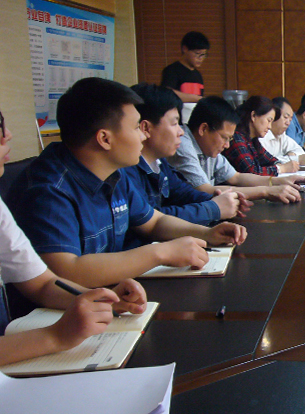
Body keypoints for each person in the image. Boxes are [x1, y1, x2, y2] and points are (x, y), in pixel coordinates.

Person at [8, 78, 247, 288]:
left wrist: (207, 233)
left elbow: (154, 222)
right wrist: (160, 253)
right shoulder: (49, 189)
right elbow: (66, 271)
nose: (143, 135)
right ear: (105, 139)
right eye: (135, 127)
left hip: (112, 293)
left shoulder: (115, 173)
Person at [0, 109, 147, 367]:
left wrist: (102, 299)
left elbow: (42, 283)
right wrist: (55, 336)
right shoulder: (48, 186)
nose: (8, 134)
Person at [123, 83, 248, 238]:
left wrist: (216, 199)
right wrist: (213, 208)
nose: (181, 132)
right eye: (175, 124)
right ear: (146, 128)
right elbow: (154, 218)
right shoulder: (126, 171)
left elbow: (182, 193)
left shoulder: (160, 163)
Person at [167, 96, 305, 203]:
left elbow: (236, 177)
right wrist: (266, 191)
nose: (227, 145)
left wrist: (279, 181)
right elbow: (206, 190)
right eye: (225, 138)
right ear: (204, 129)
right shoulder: (183, 144)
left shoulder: (209, 146)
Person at [222, 95, 298, 176]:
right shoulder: (236, 138)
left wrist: (279, 164)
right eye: (268, 120)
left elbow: (270, 159)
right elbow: (251, 172)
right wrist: (281, 168)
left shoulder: (253, 140)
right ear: (253, 116)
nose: (270, 127)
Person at [259, 97, 305, 167]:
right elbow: (267, 162)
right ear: (274, 115)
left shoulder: (281, 136)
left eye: (290, 119)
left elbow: (300, 151)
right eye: (285, 117)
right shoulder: (262, 136)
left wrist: (292, 154)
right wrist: (295, 159)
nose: (288, 123)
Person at [160, 31, 209, 103]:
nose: (201, 58)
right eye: (198, 53)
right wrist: (198, 98)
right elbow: (166, 93)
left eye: (204, 55)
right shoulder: (172, 70)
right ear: (185, 49)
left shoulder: (198, 74)